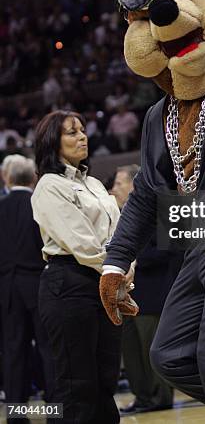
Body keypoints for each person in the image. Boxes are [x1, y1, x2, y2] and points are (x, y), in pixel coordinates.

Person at [31, 110, 132, 424]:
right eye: (72, 132)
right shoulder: (49, 185)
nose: (82, 137)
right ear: (53, 142)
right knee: (77, 386)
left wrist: (125, 270)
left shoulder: (96, 185)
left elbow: (121, 233)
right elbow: (81, 242)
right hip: (68, 284)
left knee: (105, 380)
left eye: (83, 130)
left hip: (105, 284)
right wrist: (117, 269)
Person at [112, 165, 179, 415]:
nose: (114, 188)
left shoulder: (160, 210)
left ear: (134, 185)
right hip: (127, 294)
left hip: (153, 292)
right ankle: (141, 396)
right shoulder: (120, 214)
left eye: (119, 183)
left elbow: (168, 249)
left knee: (151, 349)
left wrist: (133, 260)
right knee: (131, 352)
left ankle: (160, 397)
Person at [0, 156, 53, 423]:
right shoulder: (39, 204)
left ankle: (17, 416)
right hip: (39, 285)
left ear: (6, 178)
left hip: (8, 291)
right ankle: (56, 412)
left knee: (13, 352)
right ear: (33, 178)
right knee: (48, 350)